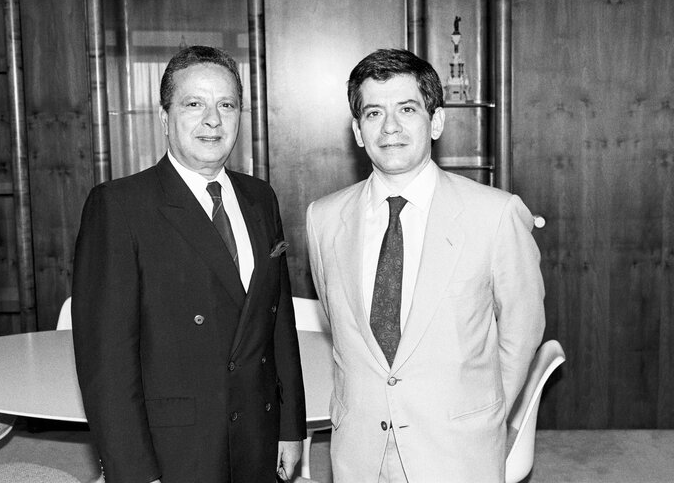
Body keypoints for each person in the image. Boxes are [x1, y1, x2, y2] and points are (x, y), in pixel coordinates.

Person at [306, 48, 545, 482]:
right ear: (358, 131)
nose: (391, 127)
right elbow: (342, 330)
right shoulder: (322, 219)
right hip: (359, 453)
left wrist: (480, 416)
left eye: (407, 109)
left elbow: (522, 330)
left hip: (458, 452)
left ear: (435, 121)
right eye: (374, 112)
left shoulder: (494, 215)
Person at [72, 46, 305, 483]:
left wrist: (290, 427)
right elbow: (107, 364)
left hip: (257, 434)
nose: (212, 120)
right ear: (164, 117)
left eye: (226, 105)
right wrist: (135, 473)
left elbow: (278, 325)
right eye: (194, 104)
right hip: (176, 449)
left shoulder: (260, 198)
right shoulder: (120, 206)